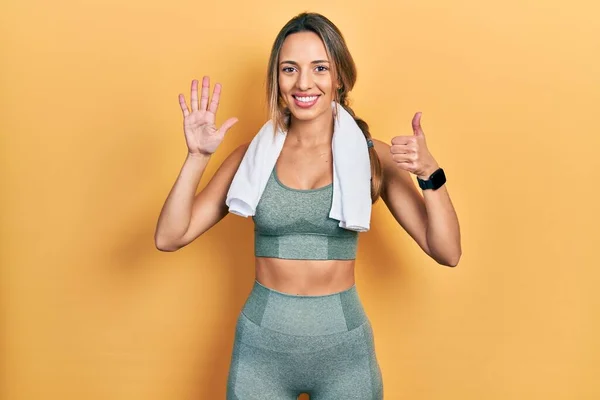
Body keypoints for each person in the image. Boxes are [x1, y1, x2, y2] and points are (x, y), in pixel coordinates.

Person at [155, 12, 461, 400]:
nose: (303, 83)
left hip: (344, 355)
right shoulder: (251, 157)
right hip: (260, 354)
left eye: (319, 68)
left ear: (339, 77)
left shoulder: (372, 156)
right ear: (276, 79)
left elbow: (447, 251)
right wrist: (197, 157)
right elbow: (170, 236)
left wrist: (430, 174)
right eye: (289, 69)